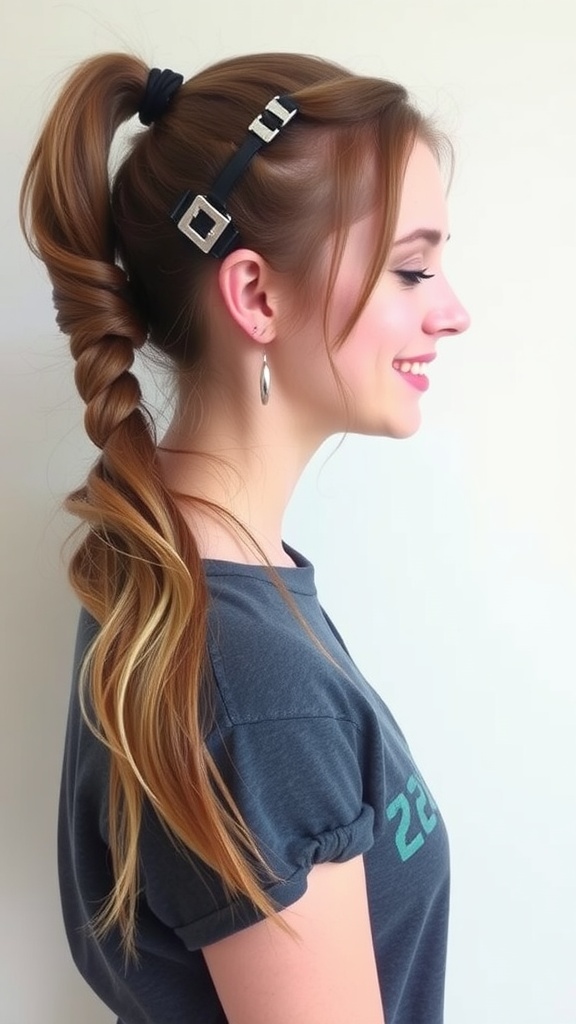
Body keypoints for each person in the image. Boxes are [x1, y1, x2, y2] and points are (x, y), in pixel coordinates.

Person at [21, 50, 470, 1024]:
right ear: (257, 297)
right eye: (412, 268)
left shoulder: (189, 578)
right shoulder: (252, 690)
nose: (453, 312)